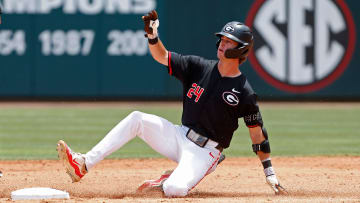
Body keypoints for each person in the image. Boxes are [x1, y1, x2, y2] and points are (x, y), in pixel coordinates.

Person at [57, 10, 286, 197]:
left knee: (174, 190)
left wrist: (269, 173)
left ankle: (168, 180)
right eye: (222, 40)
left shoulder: (244, 92)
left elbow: (257, 133)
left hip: (205, 152)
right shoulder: (198, 67)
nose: (222, 44)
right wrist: (152, 37)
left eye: (228, 42)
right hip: (179, 135)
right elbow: (162, 56)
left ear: (240, 49)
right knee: (137, 118)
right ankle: (83, 163)